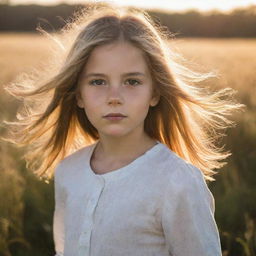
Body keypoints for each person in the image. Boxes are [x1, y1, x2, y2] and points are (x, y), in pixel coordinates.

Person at [2, 3, 244, 256]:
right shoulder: (68, 171)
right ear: (79, 95)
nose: (114, 97)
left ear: (155, 93)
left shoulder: (178, 181)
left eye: (132, 81)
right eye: (98, 81)